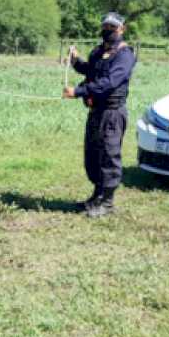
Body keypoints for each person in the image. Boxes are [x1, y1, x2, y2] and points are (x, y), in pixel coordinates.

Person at [63, 12, 136, 218]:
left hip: (112, 113)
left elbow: (110, 82)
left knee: (109, 156)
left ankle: (107, 203)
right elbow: (91, 71)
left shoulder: (124, 54)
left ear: (122, 29)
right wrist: (75, 61)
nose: (108, 31)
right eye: (106, 27)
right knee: (93, 155)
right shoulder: (98, 51)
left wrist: (78, 92)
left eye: (113, 28)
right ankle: (96, 197)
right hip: (95, 111)